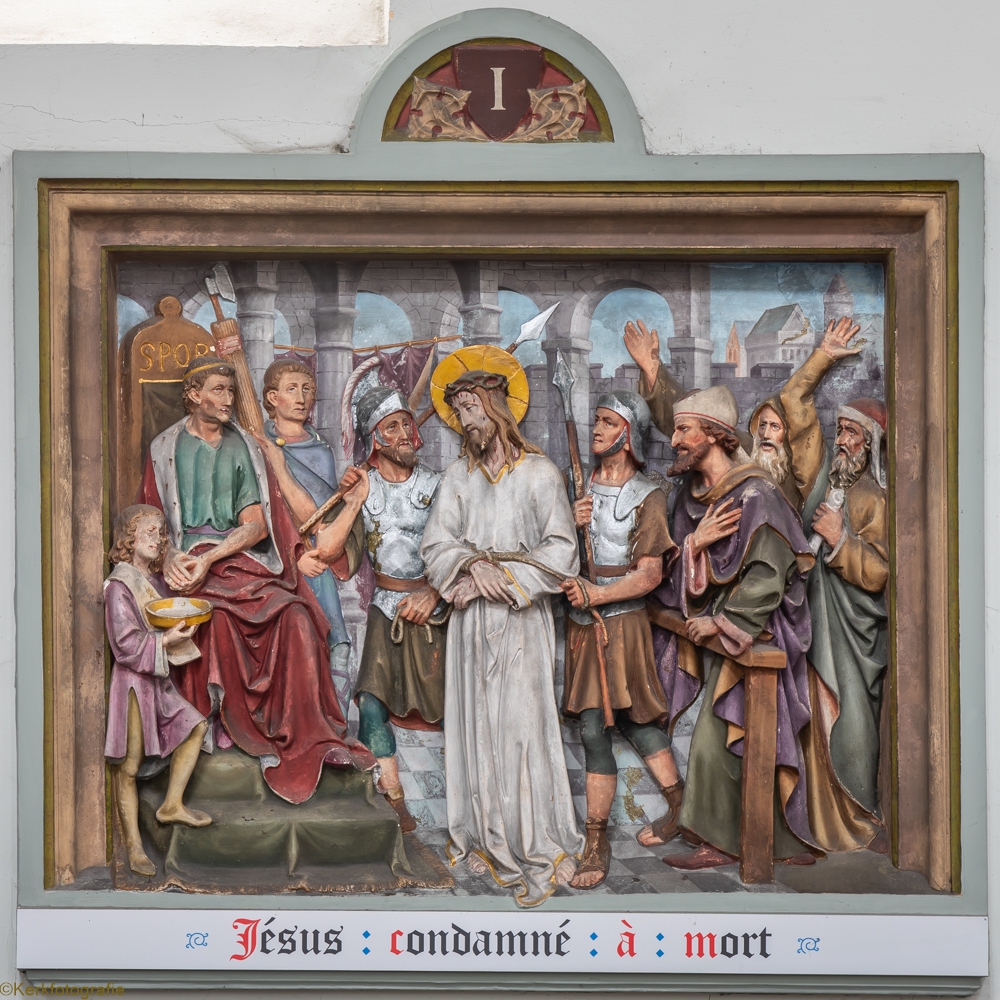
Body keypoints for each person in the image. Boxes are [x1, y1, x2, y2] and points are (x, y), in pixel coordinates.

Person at [137, 356, 374, 805]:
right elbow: (152, 516)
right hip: (185, 562)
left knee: (297, 616)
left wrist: (213, 557)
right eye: (219, 390)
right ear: (194, 395)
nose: (228, 399)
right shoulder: (163, 447)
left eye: (231, 390)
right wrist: (168, 558)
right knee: (215, 620)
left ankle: (304, 733)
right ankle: (221, 725)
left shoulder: (243, 445)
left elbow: (257, 524)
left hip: (238, 558)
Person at [420, 355, 584, 907]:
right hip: (470, 624)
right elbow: (436, 543)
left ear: (496, 408)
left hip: (520, 620)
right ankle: (481, 835)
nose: (466, 422)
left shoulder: (540, 474)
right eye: (459, 413)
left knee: (520, 729)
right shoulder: (458, 477)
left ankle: (539, 841)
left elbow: (561, 551)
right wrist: (469, 568)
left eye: (472, 409)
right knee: (476, 728)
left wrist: (501, 579)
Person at [261, 385, 446, 833]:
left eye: (406, 424)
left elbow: (463, 548)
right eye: (391, 427)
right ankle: (395, 799)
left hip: (439, 608)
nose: (405, 434)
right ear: (375, 438)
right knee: (372, 703)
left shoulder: (440, 485)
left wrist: (435, 593)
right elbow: (329, 550)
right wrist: (354, 500)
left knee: (454, 702)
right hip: (387, 608)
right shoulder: (364, 488)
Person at [652, 385, 819, 870]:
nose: (675, 440)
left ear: (715, 434)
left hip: (758, 635)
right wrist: (695, 547)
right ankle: (760, 840)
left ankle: (732, 842)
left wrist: (722, 622)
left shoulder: (756, 495)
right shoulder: (691, 497)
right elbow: (673, 571)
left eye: (684, 430)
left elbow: (768, 576)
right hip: (724, 640)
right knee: (735, 737)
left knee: (723, 737)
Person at [558, 391, 681, 888]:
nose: (597, 429)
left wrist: (598, 594)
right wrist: (569, 524)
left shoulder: (649, 493)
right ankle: (598, 836)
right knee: (595, 726)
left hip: (623, 621)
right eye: (596, 420)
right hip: (584, 622)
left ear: (628, 434)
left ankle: (674, 805)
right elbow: (557, 552)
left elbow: (649, 574)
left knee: (634, 719)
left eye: (608, 422)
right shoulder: (577, 484)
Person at [774, 322, 889, 850]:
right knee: (809, 724)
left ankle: (855, 820)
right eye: (839, 431)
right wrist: (822, 356)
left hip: (850, 639)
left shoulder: (875, 499)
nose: (841, 441)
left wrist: (841, 540)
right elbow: (794, 401)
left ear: (871, 444)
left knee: (849, 725)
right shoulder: (820, 474)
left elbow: (880, 572)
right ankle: (811, 823)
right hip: (808, 621)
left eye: (852, 434)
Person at [104, 504, 210, 876]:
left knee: (195, 725)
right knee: (129, 766)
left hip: (157, 680)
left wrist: (176, 633)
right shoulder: (120, 585)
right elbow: (124, 645)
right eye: (149, 531)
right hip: (134, 684)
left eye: (160, 532)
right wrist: (165, 641)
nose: (157, 538)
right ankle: (134, 847)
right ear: (129, 538)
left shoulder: (152, 581)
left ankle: (172, 804)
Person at [260, 358, 352, 711]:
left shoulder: (319, 447)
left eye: (307, 389)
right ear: (272, 398)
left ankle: (331, 714)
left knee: (334, 642)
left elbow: (319, 516)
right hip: (276, 555)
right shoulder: (258, 444)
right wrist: (292, 556)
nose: (301, 398)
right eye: (291, 389)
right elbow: (263, 513)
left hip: (315, 555)